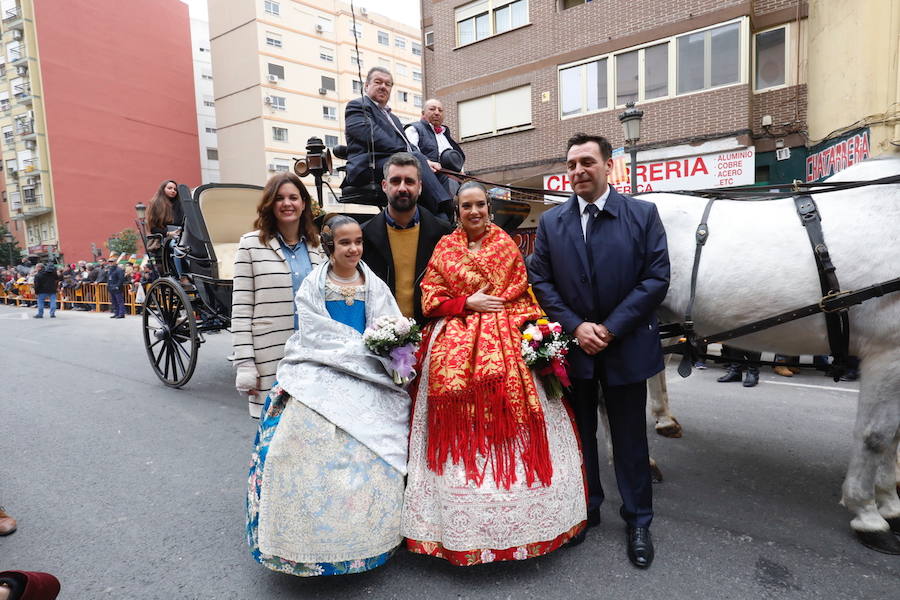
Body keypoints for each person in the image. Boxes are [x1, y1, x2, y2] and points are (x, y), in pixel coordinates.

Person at [402, 182, 587, 565]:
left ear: (489, 207)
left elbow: (520, 292)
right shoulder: (445, 247)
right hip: (454, 335)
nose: (474, 212)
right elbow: (429, 296)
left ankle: (527, 525)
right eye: (467, 206)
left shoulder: (506, 244)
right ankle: (457, 525)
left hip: (506, 334)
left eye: (480, 205)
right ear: (457, 211)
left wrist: (519, 326)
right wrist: (466, 302)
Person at [528, 133, 670, 569]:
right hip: (575, 351)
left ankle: (638, 520)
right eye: (572, 164)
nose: (578, 171)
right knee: (581, 434)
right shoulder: (553, 222)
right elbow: (541, 281)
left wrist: (608, 329)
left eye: (587, 162)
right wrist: (576, 327)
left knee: (629, 439)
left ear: (609, 165)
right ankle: (586, 508)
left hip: (625, 347)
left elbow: (656, 278)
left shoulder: (642, 215)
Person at [246, 215, 410, 576]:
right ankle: (302, 544)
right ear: (329, 247)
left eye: (358, 242)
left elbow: (389, 322)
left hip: (368, 371)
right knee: (292, 443)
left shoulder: (374, 283)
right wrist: (358, 348)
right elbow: (315, 333)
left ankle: (373, 539)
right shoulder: (312, 285)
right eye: (345, 243)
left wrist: (384, 347)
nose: (354, 249)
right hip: (320, 367)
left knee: (378, 444)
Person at [232, 172, 326, 419]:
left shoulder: (317, 247)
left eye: (293, 197)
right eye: (279, 198)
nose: (287, 203)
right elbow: (241, 310)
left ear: (303, 203)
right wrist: (245, 364)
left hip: (311, 358)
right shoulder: (250, 245)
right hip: (269, 356)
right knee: (271, 441)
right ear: (270, 204)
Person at [342, 67, 453, 218]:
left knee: (440, 173)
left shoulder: (392, 118)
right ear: (366, 86)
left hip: (392, 162)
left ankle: (441, 217)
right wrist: (414, 157)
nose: (383, 86)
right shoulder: (357, 106)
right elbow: (375, 137)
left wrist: (428, 161)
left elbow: (406, 143)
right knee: (415, 159)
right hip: (367, 167)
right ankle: (447, 206)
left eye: (388, 84)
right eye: (378, 82)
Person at [361, 152, 452, 324]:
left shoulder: (443, 234)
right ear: (384, 185)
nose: (402, 188)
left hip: (431, 334)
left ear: (420, 187)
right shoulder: (363, 236)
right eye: (395, 181)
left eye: (409, 181)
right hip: (380, 336)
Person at [404, 98, 466, 196]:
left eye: (440, 110)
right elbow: (410, 152)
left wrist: (461, 172)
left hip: (452, 180)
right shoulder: (414, 129)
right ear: (423, 113)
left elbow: (457, 157)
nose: (437, 113)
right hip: (428, 179)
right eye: (432, 109)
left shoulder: (446, 134)